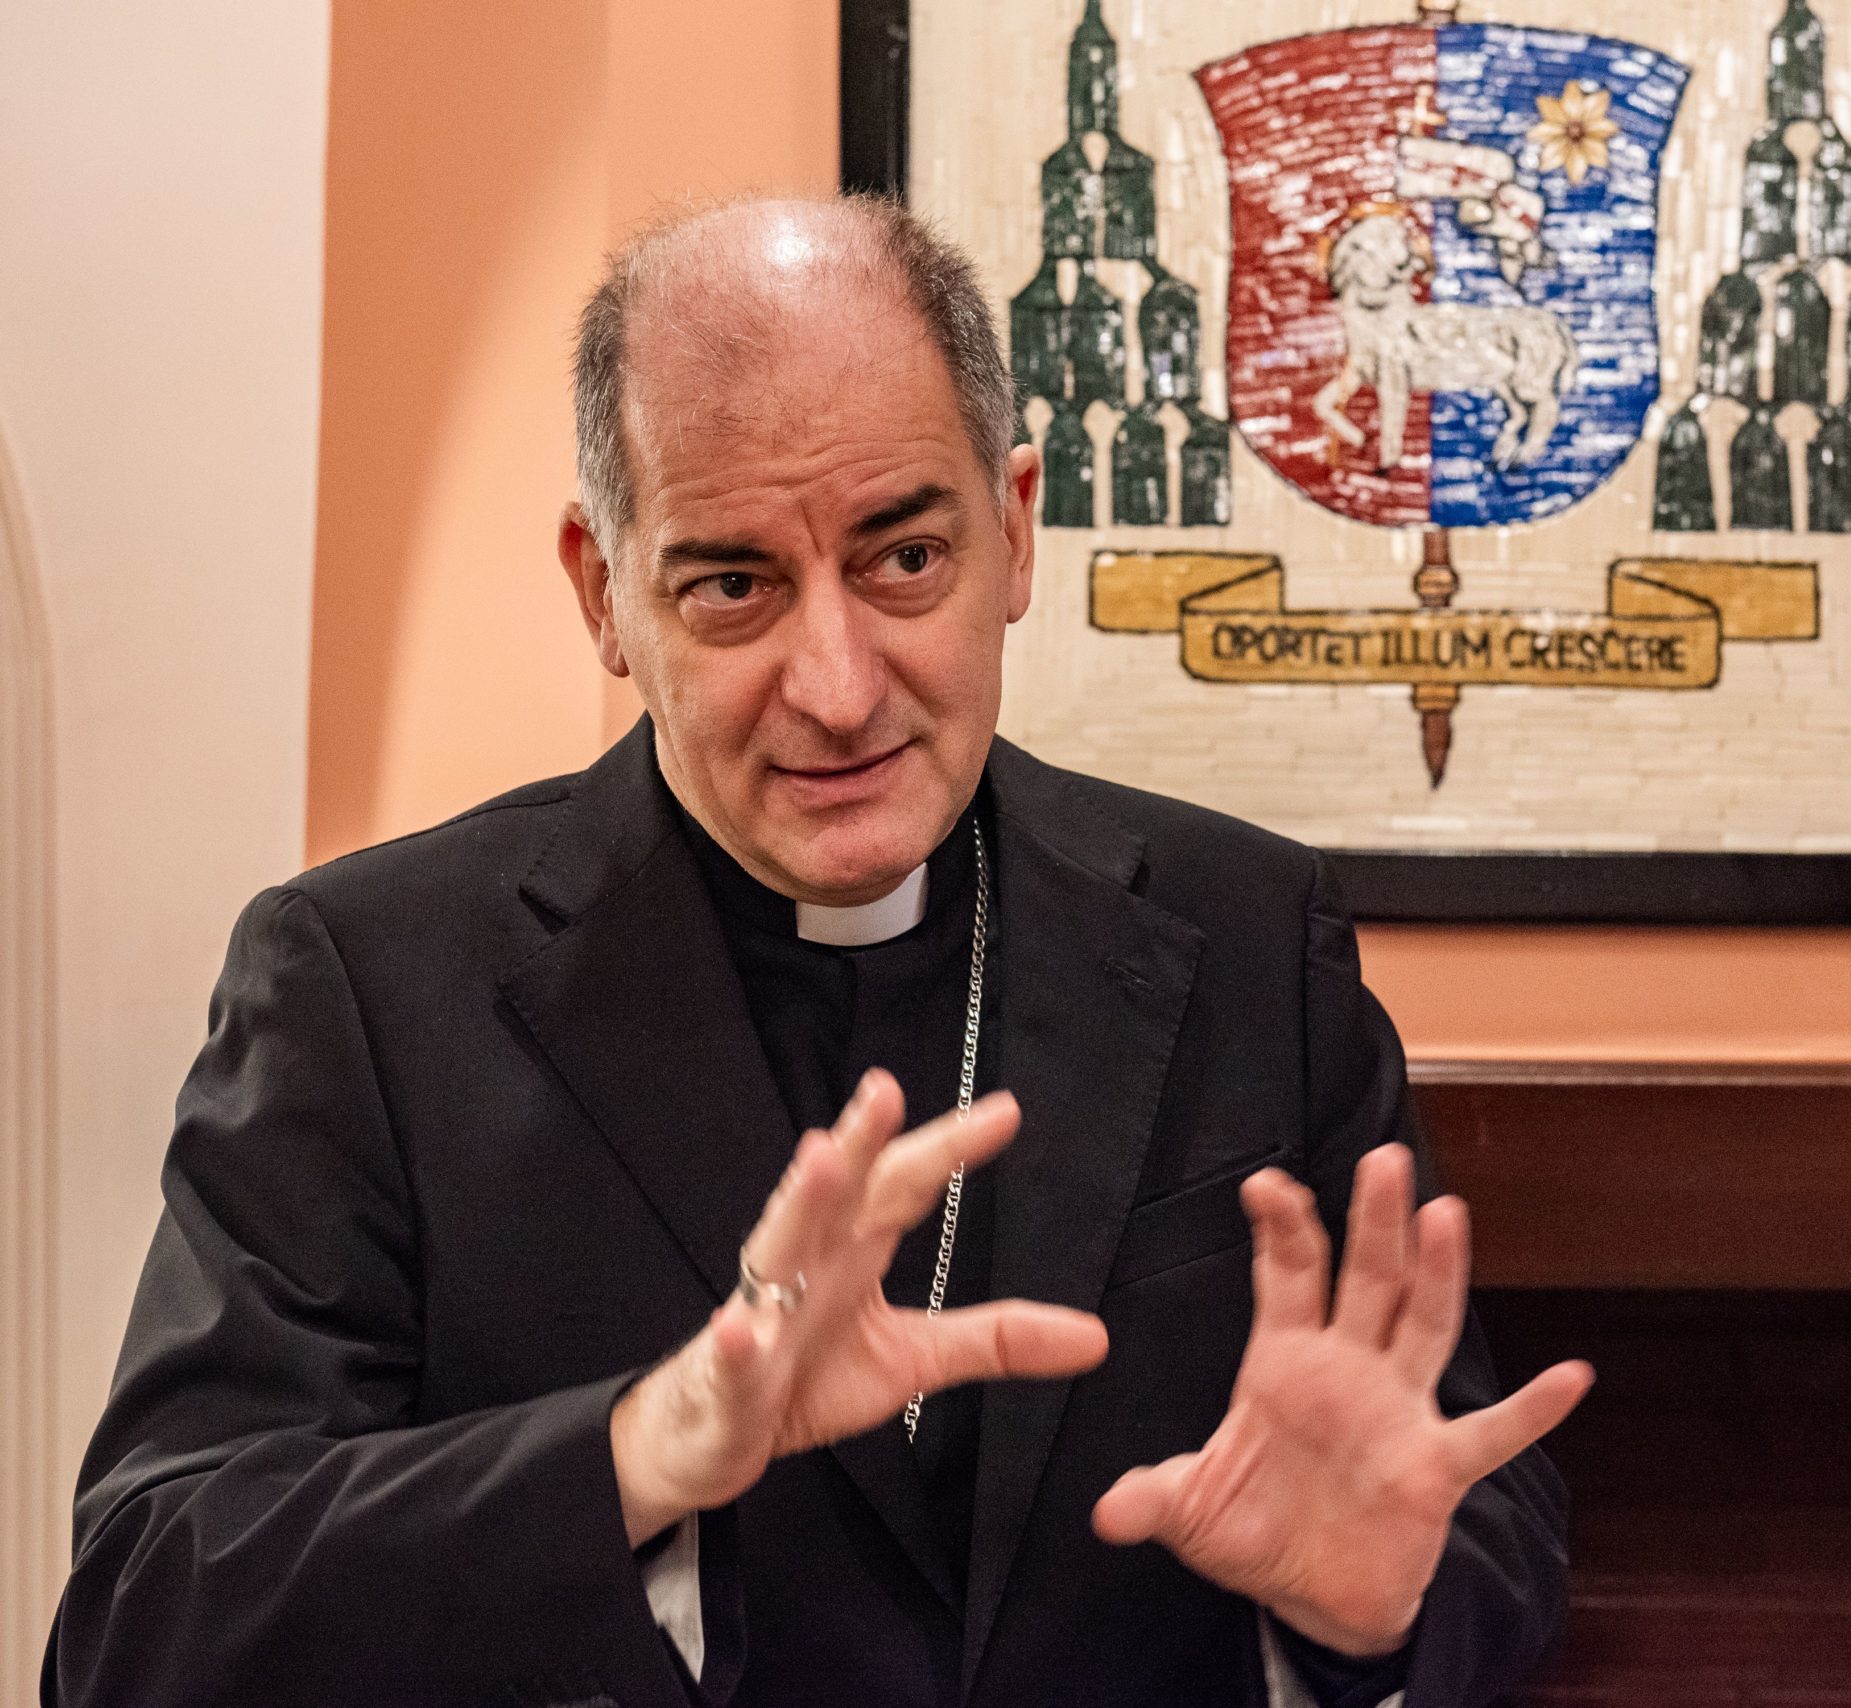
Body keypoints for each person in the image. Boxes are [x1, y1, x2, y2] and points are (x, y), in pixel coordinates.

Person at [43, 195, 1588, 1707]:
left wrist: (1363, 1620)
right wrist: (636, 1453)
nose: (839, 690)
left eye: (904, 560)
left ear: (1014, 531)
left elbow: (1461, 1509)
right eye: (734, 586)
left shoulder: (1249, 937)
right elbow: (144, 1615)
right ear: (603, 593)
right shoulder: (367, 984)